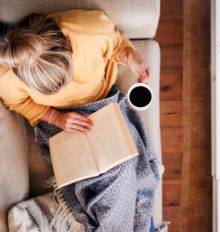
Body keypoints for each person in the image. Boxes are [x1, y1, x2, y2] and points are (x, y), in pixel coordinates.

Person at [0, 10, 158, 232]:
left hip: (102, 105)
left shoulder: (89, 31)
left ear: (68, 44)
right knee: (98, 179)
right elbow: (19, 103)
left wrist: (130, 56)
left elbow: (116, 45)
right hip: (59, 122)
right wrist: (56, 117)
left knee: (125, 169)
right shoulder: (8, 75)